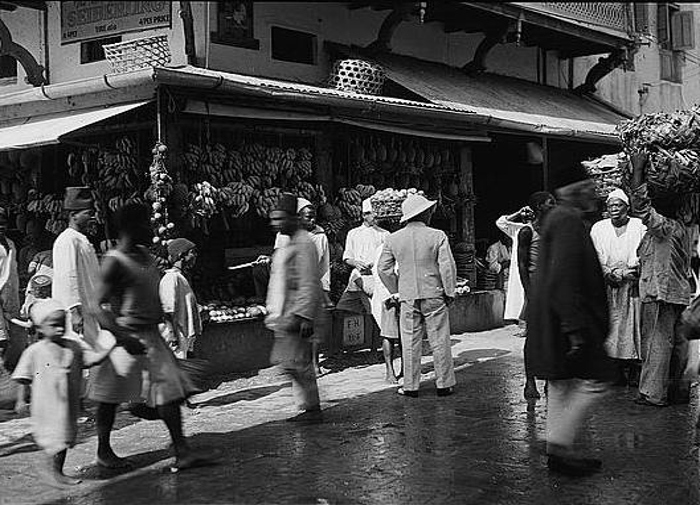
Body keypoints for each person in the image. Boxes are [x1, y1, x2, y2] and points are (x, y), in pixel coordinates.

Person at [94, 203, 216, 470]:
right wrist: (121, 336)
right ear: (129, 228)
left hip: (152, 338)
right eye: (145, 224)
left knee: (169, 394)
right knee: (109, 397)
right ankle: (103, 450)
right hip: (125, 338)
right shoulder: (114, 261)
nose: (150, 228)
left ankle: (182, 450)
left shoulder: (147, 257)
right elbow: (96, 306)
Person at [526, 173, 615, 477]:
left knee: (562, 385)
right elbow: (563, 276)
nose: (593, 192)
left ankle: (557, 451)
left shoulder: (560, 218)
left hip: (556, 318)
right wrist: (574, 327)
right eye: (586, 187)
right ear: (569, 190)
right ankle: (559, 443)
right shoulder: (566, 220)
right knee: (598, 380)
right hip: (565, 320)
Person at [12, 299, 116, 488]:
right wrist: (20, 400)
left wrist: (108, 347)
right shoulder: (34, 351)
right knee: (56, 439)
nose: (59, 329)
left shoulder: (73, 346)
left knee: (65, 437)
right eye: (54, 325)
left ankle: (54, 469)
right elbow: (23, 376)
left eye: (62, 324)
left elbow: (91, 360)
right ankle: (56, 472)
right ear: (40, 328)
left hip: (68, 405)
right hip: (45, 405)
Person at [629, 152, 693, 407]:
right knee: (677, 343)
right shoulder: (683, 228)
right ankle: (678, 393)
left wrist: (637, 169)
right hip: (677, 292)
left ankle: (653, 393)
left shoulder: (664, 228)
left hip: (660, 291)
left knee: (657, 342)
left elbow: (640, 206)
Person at [378, 193, 457, 397]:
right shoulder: (437, 235)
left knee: (410, 340)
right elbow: (447, 267)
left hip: (408, 295)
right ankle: (444, 384)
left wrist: (396, 289)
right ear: (424, 214)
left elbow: (383, 268)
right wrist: (449, 291)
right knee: (439, 339)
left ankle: (411, 386)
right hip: (434, 293)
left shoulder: (393, 238)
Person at [265, 193, 324, 424]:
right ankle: (309, 407)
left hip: (297, 314)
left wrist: (304, 316)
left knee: (295, 363)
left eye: (279, 219)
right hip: (286, 312)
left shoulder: (304, 242)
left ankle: (312, 409)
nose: (275, 224)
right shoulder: (287, 241)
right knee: (293, 362)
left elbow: (309, 280)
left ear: (292, 218)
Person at [590, 188, 646, 385]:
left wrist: (625, 272)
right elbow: (594, 254)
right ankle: (614, 369)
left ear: (627, 207)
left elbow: (643, 253)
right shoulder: (599, 227)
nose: (614, 208)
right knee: (611, 326)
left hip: (632, 283)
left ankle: (633, 367)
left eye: (618, 205)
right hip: (608, 283)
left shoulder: (639, 226)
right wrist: (608, 273)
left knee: (633, 326)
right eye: (611, 205)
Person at [518, 191, 556, 400]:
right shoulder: (527, 232)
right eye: (551, 204)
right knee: (533, 338)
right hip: (536, 290)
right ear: (540, 207)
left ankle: (550, 379)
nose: (554, 207)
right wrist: (529, 293)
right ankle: (530, 381)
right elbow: (522, 264)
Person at [51, 187, 100, 345]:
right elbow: (68, 277)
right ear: (73, 215)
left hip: (89, 309)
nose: (93, 218)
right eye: (88, 214)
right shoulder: (67, 240)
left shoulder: (81, 239)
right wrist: (74, 311)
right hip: (77, 313)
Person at [296, 198, 332, 376]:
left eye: (314, 217)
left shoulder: (321, 236)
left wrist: (325, 289)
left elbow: (325, 265)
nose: (312, 220)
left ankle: (315, 362)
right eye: (308, 217)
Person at [336, 199, 389, 314]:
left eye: (375, 213)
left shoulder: (384, 234)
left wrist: (374, 264)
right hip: (357, 277)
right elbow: (347, 257)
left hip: (374, 278)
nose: (374, 216)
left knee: (374, 311)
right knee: (343, 308)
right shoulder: (353, 233)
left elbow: (387, 258)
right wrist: (356, 263)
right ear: (364, 215)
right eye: (371, 213)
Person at [159, 238, 202, 360]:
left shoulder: (181, 277)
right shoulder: (171, 279)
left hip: (184, 334)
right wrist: (173, 336)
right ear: (181, 255)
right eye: (192, 252)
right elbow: (167, 309)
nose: (195, 256)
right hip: (177, 334)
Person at [496, 206, 533, 325]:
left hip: (535, 267)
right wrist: (518, 212)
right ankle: (524, 324)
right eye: (525, 214)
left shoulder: (540, 228)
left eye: (529, 214)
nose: (527, 216)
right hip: (521, 268)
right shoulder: (518, 229)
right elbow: (501, 222)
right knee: (521, 294)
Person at [371, 241, 401, 383]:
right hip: (388, 295)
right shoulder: (384, 247)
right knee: (389, 334)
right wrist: (391, 294)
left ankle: (406, 369)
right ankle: (390, 371)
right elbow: (379, 272)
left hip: (405, 294)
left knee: (405, 335)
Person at [0, 208, 23, 372]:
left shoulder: (11, 244)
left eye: (3, 223)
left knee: (14, 341)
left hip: (11, 300)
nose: (1, 226)